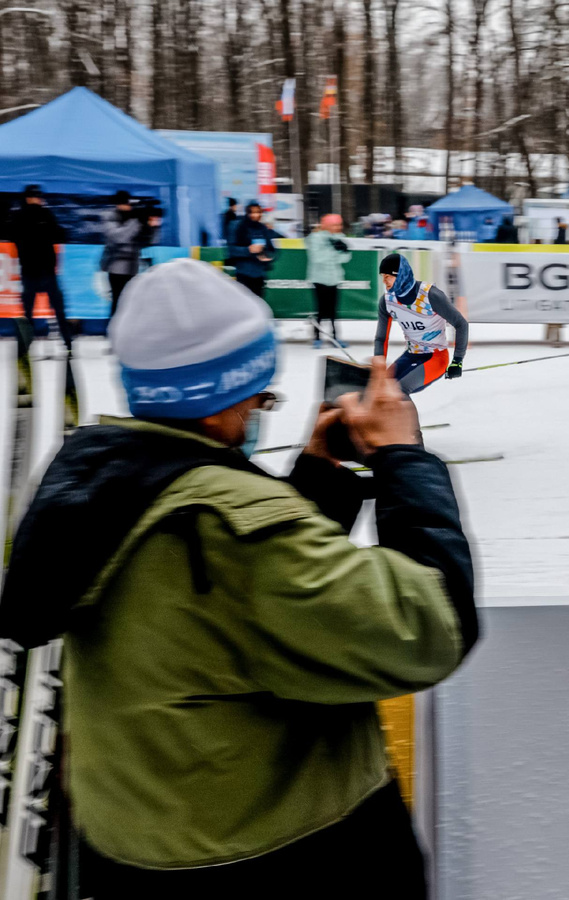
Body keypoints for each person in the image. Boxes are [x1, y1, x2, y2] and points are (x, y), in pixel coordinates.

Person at [0, 257, 478, 898]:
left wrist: (317, 476)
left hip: (138, 850)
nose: (261, 412)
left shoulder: (107, 485)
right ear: (225, 397)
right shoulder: (230, 527)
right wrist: (403, 459)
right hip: (282, 858)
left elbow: (244, 610)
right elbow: (427, 625)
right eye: (261, 397)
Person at [375, 253, 469, 394]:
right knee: (381, 389)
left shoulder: (430, 295)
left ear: (400, 275)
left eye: (388, 276)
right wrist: (379, 363)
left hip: (436, 357)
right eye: (382, 276)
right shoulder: (387, 301)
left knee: (399, 391)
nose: (384, 281)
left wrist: (457, 361)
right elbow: (381, 338)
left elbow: (461, 324)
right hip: (411, 354)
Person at [9, 184, 72, 350]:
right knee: (58, 309)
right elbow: (60, 235)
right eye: (38, 196)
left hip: (30, 270)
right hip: (45, 270)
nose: (39, 199)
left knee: (29, 311)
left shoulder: (19, 216)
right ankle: (68, 342)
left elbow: (13, 237)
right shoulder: (45, 214)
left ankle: (24, 346)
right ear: (32, 197)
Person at [101, 191, 162, 315]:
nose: (129, 207)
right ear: (119, 204)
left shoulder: (132, 217)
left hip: (132, 266)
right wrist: (136, 221)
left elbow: (147, 241)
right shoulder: (110, 216)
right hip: (116, 266)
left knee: (131, 302)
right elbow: (119, 237)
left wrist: (152, 226)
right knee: (118, 301)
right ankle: (115, 331)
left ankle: (127, 331)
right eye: (126, 203)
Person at [306, 213, 353, 349]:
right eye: (334, 225)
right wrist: (334, 251)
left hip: (334, 278)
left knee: (333, 309)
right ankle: (317, 336)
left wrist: (341, 250)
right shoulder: (315, 238)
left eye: (339, 225)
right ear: (326, 225)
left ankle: (335, 336)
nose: (337, 228)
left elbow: (345, 258)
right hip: (319, 278)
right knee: (320, 308)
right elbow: (317, 258)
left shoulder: (340, 237)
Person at [226, 200, 276, 297]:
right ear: (247, 212)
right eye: (252, 212)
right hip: (243, 274)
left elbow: (272, 250)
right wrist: (248, 250)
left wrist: (267, 257)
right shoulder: (237, 227)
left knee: (258, 305)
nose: (255, 215)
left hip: (259, 275)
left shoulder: (263, 229)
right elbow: (231, 250)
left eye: (258, 212)